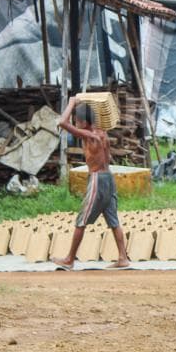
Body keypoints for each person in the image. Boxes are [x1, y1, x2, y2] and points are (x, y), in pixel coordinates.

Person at [53, 97, 130, 270]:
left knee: (82, 219)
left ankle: (69, 260)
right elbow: (107, 157)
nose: (75, 122)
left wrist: (72, 102)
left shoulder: (89, 135)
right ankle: (122, 257)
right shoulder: (102, 133)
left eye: (77, 120)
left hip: (98, 179)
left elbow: (62, 122)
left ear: (84, 122)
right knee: (113, 219)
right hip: (108, 178)